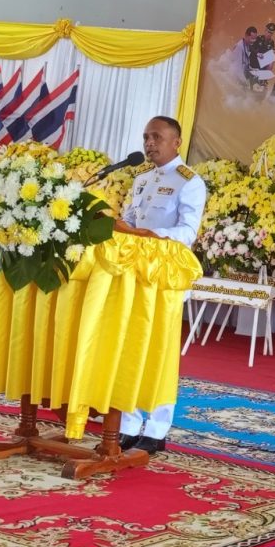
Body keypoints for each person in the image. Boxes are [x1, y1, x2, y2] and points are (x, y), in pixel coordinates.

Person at [115, 116, 207, 455]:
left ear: (176, 142)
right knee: (129, 349)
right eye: (145, 137)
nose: (149, 143)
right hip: (134, 274)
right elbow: (130, 220)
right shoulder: (141, 179)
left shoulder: (189, 182)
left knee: (159, 354)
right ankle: (127, 424)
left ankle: (156, 428)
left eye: (156, 137)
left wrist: (151, 235)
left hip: (165, 278)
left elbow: (188, 232)